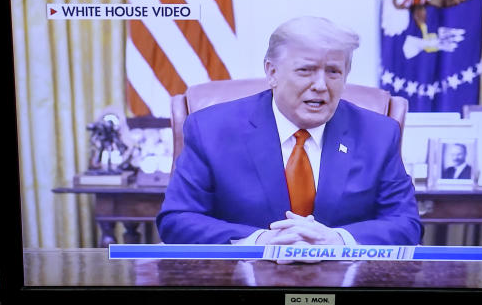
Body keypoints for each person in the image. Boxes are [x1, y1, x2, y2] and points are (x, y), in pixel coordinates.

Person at [157, 16, 421, 246]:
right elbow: (177, 220)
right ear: (272, 72)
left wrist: (338, 240)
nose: (320, 85)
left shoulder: (378, 133)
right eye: (306, 70)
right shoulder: (211, 129)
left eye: (333, 72)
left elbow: (406, 222)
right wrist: (259, 241)